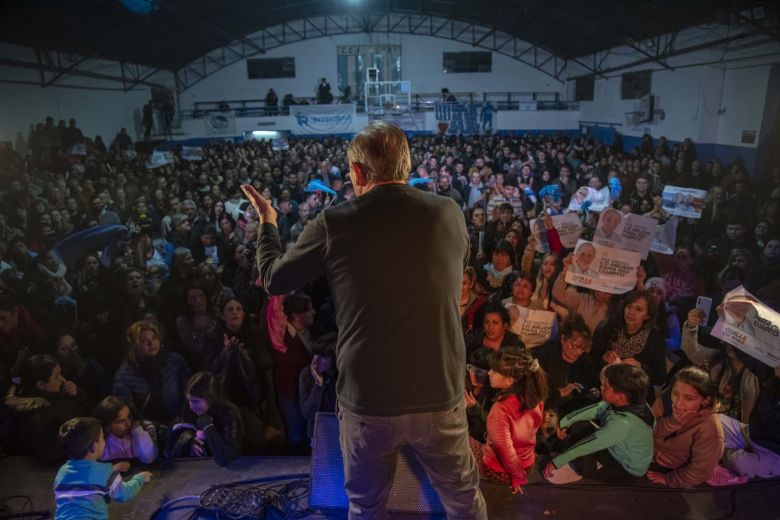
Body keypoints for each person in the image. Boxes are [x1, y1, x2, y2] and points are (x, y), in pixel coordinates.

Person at [241, 121, 487, 519]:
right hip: (440, 393)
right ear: (406, 166)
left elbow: (273, 279)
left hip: (369, 400)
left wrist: (268, 222)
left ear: (356, 172)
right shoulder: (449, 213)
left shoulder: (335, 222)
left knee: (367, 507)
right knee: (462, 499)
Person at [544, 364, 655, 484]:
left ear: (620, 397)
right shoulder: (634, 402)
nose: (601, 387)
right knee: (578, 425)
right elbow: (598, 409)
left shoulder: (622, 424)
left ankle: (578, 468)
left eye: (606, 386)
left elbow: (589, 445)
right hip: (617, 448)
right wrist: (566, 421)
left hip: (624, 469)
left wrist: (556, 462)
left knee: (581, 455)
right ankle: (574, 457)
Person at [468, 347, 548, 494]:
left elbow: (506, 451)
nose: (490, 373)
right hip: (528, 462)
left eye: (495, 371)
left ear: (510, 380)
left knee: (462, 441)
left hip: (501, 472)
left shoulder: (500, 410)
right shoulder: (535, 399)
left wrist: (518, 477)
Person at [53, 417, 153, 519]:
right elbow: (124, 494)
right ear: (94, 446)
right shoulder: (105, 472)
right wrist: (139, 478)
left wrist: (112, 471)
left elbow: (85, 481)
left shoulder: (62, 472)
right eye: (102, 438)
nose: (104, 441)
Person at [646, 366, 725, 488]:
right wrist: (672, 423)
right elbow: (646, 431)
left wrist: (669, 479)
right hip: (646, 453)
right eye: (675, 393)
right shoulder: (666, 399)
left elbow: (700, 470)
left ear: (705, 400)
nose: (678, 403)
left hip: (674, 473)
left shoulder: (710, 427)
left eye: (689, 398)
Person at [179, 371, 242, 467]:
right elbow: (179, 426)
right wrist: (190, 441)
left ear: (210, 397)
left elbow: (226, 456)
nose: (191, 406)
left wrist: (208, 426)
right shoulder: (192, 411)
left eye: (196, 401)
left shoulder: (229, 415)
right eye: (189, 401)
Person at [92, 395, 158, 464]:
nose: (128, 423)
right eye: (121, 421)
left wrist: (138, 431)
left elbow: (149, 458)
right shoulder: (99, 442)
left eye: (129, 416)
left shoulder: (146, 427)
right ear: (107, 426)